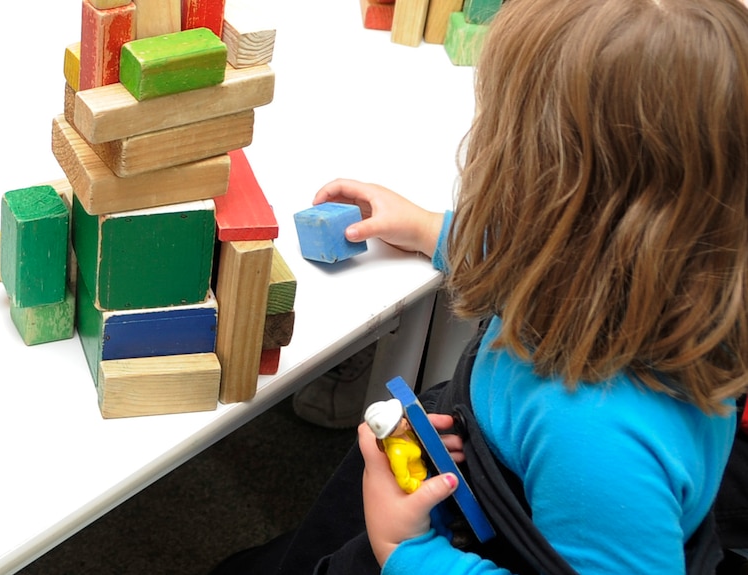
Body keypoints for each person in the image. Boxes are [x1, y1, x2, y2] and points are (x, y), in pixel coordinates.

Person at [210, 0, 748, 572]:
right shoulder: (642, 277)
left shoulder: (600, 447)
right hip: (482, 466)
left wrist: (409, 552)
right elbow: (532, 253)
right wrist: (427, 228)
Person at [363, 399, 428, 494]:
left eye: (401, 418)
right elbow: (404, 482)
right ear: (390, 431)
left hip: (424, 466)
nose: (404, 421)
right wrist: (419, 486)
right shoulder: (397, 453)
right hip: (422, 478)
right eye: (399, 423)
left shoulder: (404, 434)